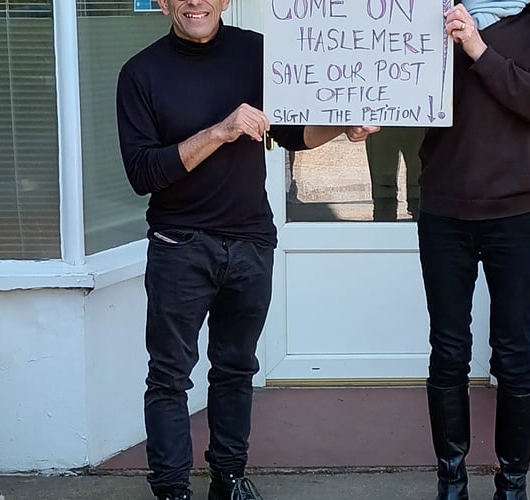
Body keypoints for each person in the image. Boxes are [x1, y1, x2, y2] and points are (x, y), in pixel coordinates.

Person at [115, 1, 378, 499]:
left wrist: (342, 126)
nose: (196, 2)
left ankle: (229, 479)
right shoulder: (140, 73)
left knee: (236, 369)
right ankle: (172, 490)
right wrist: (221, 130)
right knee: (169, 377)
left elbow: (290, 132)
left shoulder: (258, 52)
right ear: (165, 3)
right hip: (180, 245)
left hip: (251, 241)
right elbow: (143, 174)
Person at [417, 1, 530, 499]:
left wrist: (479, 50)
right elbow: (401, 86)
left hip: (518, 215)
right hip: (445, 211)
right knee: (448, 352)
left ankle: (512, 484)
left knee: (512, 352)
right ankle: (451, 480)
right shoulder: (433, 14)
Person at [364, 127, 425, 221]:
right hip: (382, 122)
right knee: (384, 191)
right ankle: (384, 225)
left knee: (421, 187)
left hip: (420, 122)